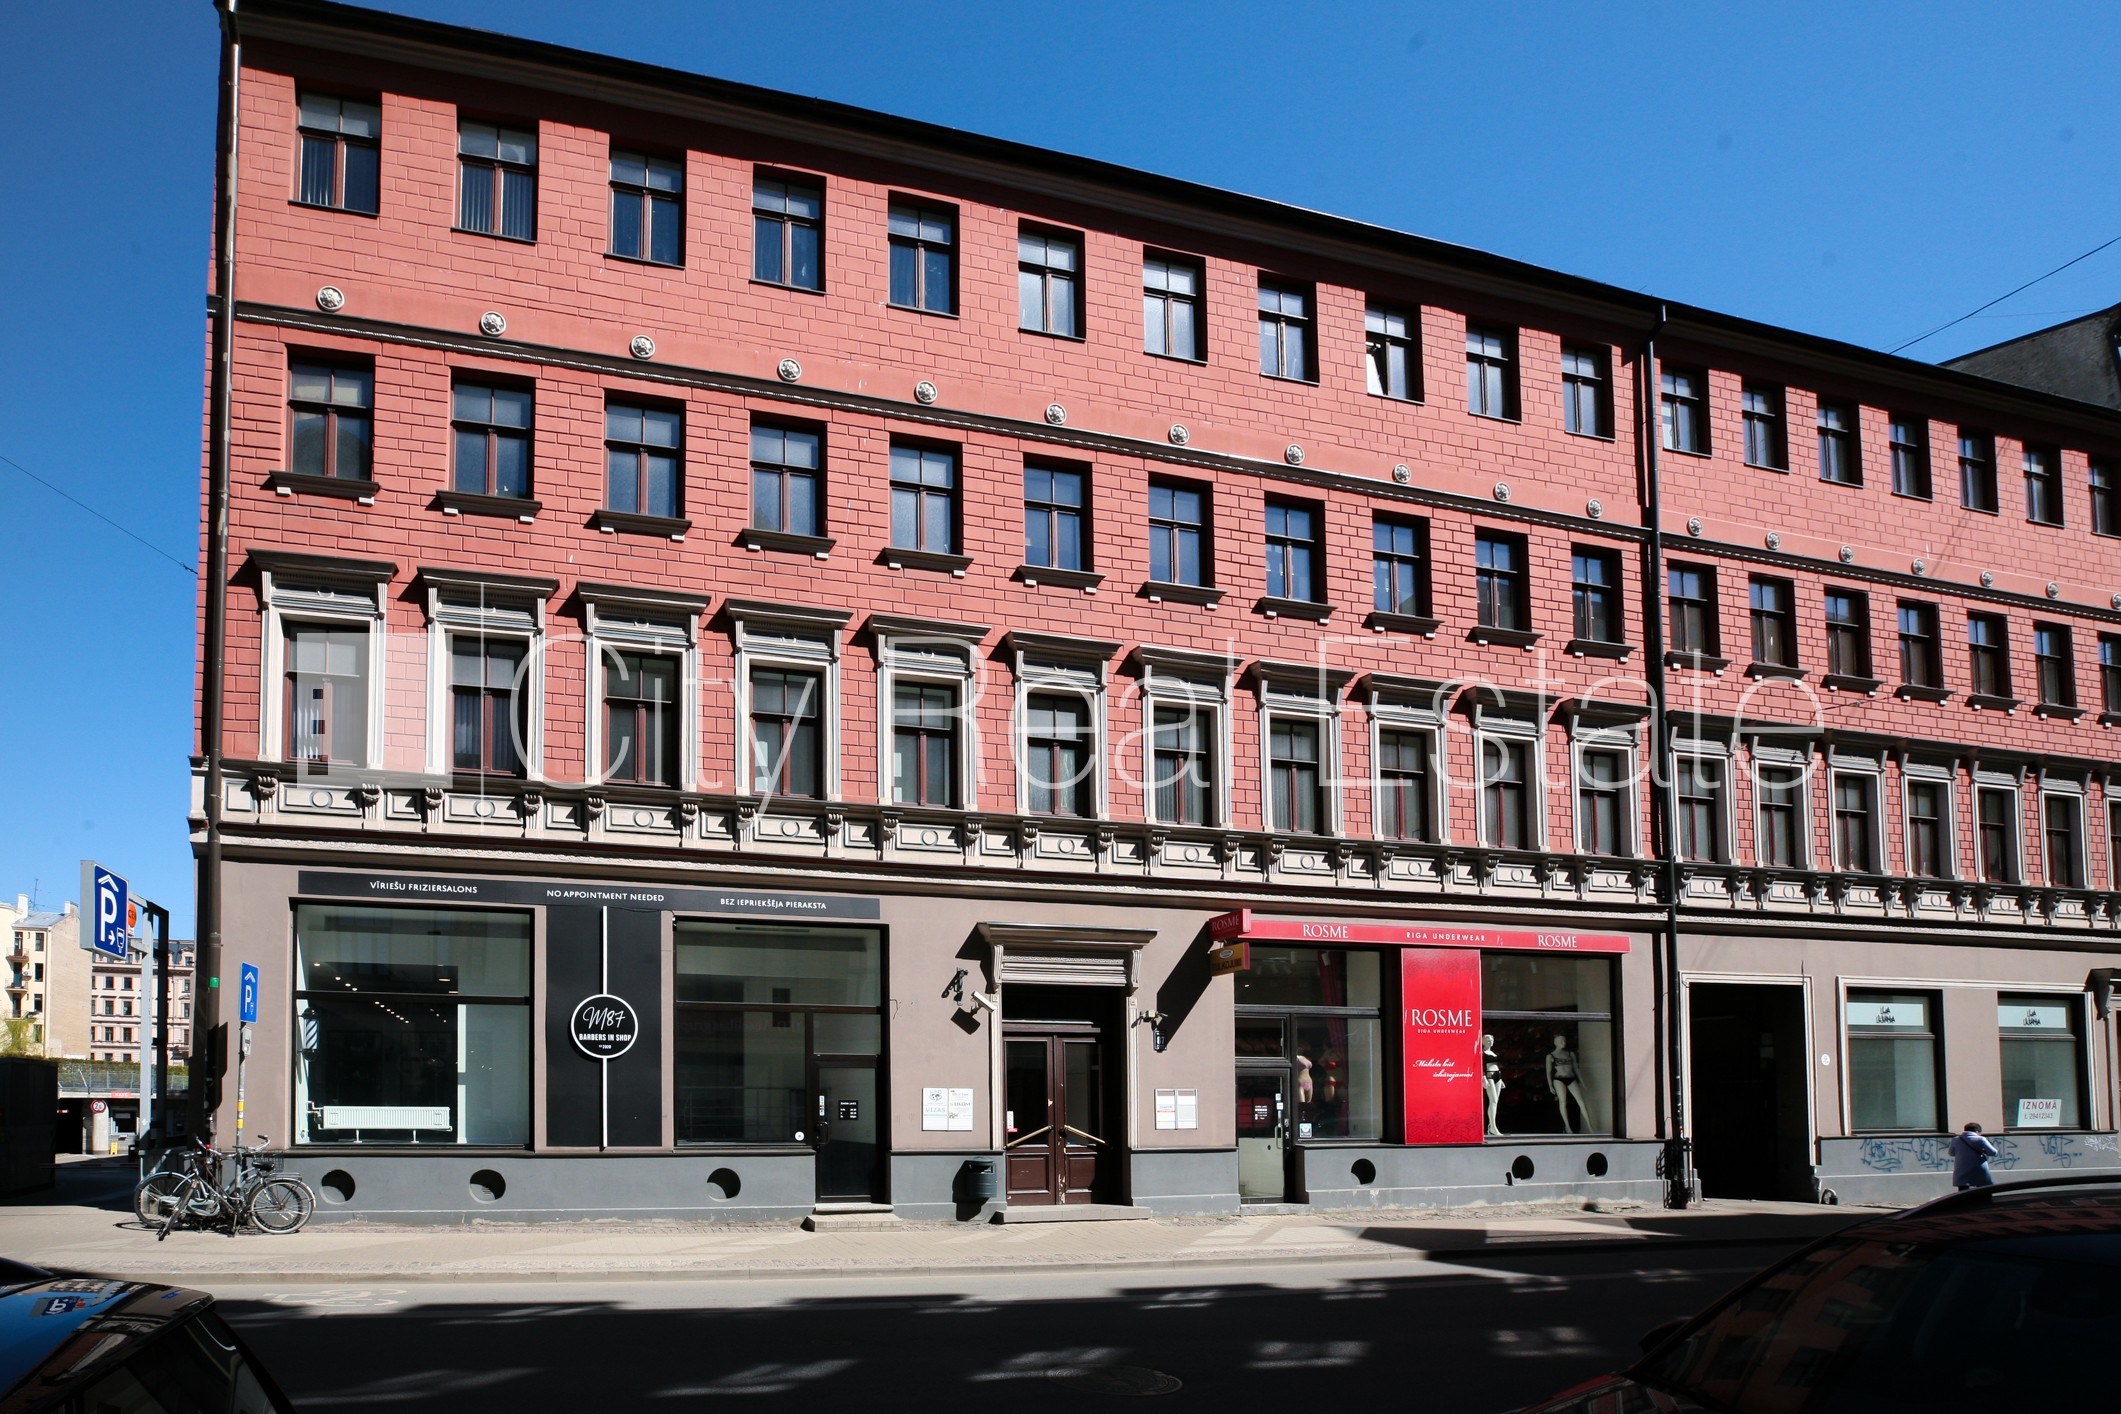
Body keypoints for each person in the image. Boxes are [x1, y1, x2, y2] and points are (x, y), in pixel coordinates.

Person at [1946, 1121, 1999, 1191]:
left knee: (1963, 1192)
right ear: (1977, 1131)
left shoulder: (1956, 1139)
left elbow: (1951, 1153)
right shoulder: (1981, 1139)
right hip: (1978, 1168)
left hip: (1961, 1169)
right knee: (1984, 1190)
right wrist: (1984, 1151)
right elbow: (1993, 1152)